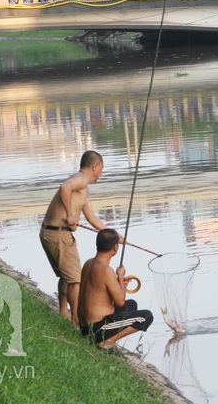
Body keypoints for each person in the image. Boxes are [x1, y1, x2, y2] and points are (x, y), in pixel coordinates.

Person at [39, 150, 108, 325]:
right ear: (95, 166)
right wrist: (70, 215)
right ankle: (77, 321)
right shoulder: (81, 179)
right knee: (75, 279)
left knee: (66, 276)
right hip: (59, 234)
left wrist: (111, 234)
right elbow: (64, 187)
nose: (101, 173)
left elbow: (91, 217)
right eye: (101, 169)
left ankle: (64, 313)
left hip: (52, 233)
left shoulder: (83, 188)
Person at [78, 229, 153, 353]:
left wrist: (118, 281)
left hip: (84, 326)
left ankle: (106, 339)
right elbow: (120, 302)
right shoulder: (106, 270)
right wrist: (120, 277)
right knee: (146, 317)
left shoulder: (89, 263)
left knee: (132, 304)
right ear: (115, 248)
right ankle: (106, 342)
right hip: (97, 329)